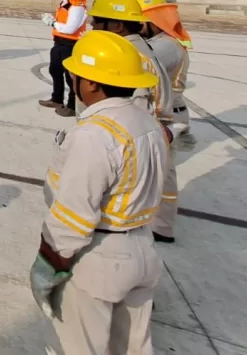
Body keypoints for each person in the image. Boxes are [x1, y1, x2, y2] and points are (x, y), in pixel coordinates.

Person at [29, 30, 167, 355]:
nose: (72, 80)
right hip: (142, 247)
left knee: (77, 346)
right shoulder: (148, 123)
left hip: (100, 256)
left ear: (91, 83)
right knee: (133, 347)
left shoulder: (95, 134)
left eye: (75, 75)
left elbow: (75, 213)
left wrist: (49, 264)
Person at [87, 0, 186, 247]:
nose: (92, 26)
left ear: (117, 25)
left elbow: (134, 110)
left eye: (97, 21)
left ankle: (152, 225)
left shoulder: (133, 56)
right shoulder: (140, 49)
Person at [136, 0, 192, 243]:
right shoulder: (162, 41)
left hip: (166, 115)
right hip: (161, 112)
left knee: (163, 173)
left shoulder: (166, 45)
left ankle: (162, 226)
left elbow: (140, 61)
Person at [38, 0, 88, 118]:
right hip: (60, 42)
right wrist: (54, 20)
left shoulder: (77, 7)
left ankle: (72, 106)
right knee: (55, 70)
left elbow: (70, 28)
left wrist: (53, 23)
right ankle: (56, 99)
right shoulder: (65, 3)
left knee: (70, 77)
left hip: (71, 45)